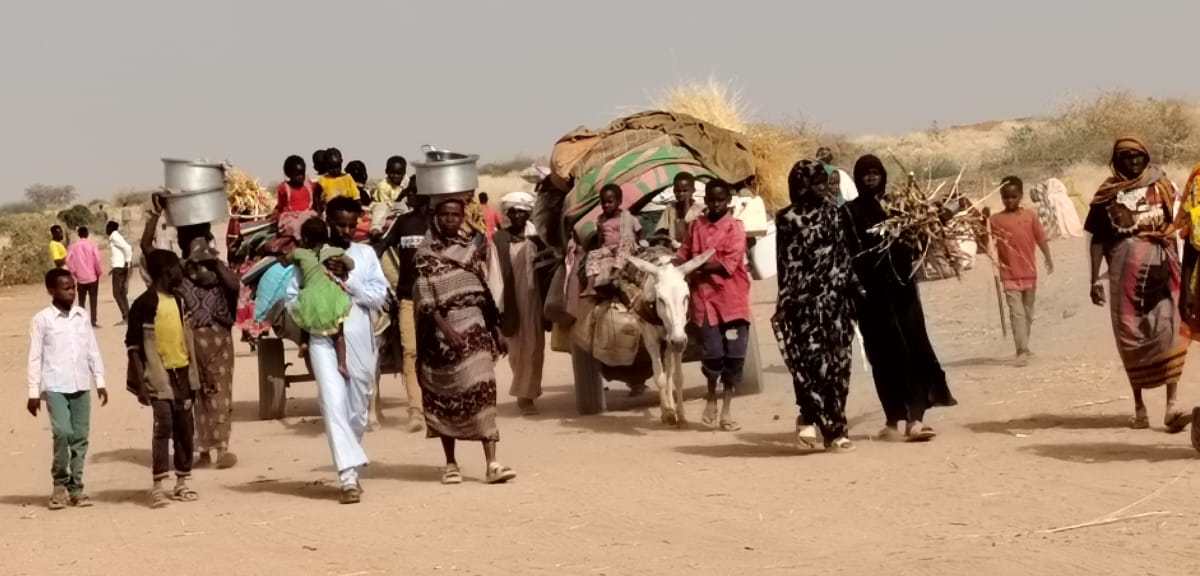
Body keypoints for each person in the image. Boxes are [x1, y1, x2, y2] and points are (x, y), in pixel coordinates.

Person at [844, 154, 954, 442]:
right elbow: (847, 253)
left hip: (902, 292)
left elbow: (919, 239)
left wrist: (937, 220)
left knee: (913, 350)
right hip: (871, 297)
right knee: (882, 357)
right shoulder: (848, 212)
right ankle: (893, 418)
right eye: (865, 173)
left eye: (875, 172)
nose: (871, 178)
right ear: (858, 178)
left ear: (883, 175)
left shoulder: (899, 206)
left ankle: (916, 419)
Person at [287, 197, 389, 503]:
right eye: (339, 224)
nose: (345, 230)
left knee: (358, 408)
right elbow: (291, 296)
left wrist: (348, 282)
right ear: (328, 222)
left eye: (351, 225)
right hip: (322, 339)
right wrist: (313, 311)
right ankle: (347, 478)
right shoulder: (309, 256)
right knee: (333, 402)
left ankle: (351, 457)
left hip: (359, 339)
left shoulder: (365, 255)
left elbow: (379, 296)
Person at [1085, 137, 1189, 432]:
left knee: (1170, 330)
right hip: (1124, 277)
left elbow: (1182, 222)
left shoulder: (1163, 186)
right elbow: (1097, 240)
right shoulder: (1106, 195)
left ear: (1146, 157)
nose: (1133, 161)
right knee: (1131, 337)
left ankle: (1171, 405)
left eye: (1138, 156)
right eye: (1126, 157)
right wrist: (1094, 279)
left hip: (1164, 268)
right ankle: (1139, 407)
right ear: (1116, 161)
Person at [414, 196, 516, 485]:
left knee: (483, 389)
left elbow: (483, 290)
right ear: (436, 217)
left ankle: (492, 463)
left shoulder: (471, 249)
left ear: (462, 217)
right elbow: (425, 297)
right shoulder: (425, 254)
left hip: (477, 328)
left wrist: (496, 330)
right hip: (442, 335)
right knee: (446, 395)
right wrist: (446, 330)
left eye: (455, 215)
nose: (450, 219)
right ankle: (450, 463)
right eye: (445, 214)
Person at [773, 161, 862, 452]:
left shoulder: (835, 214)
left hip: (836, 304)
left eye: (825, 182)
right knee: (812, 366)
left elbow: (844, 254)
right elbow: (785, 264)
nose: (823, 188)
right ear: (801, 185)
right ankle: (820, 422)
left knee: (839, 366)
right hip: (803, 306)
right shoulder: (787, 219)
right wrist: (786, 300)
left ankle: (835, 427)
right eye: (817, 182)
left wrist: (854, 287)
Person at [27, 268, 108, 509]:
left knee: (80, 437)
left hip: (81, 384)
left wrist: (100, 381)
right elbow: (34, 356)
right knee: (62, 432)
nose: (71, 292)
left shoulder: (82, 316)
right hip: (55, 385)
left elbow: (92, 350)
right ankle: (59, 484)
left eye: (73, 287)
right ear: (51, 290)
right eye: (66, 288)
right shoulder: (42, 320)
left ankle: (76, 488)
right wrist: (33, 392)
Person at [126, 249, 201, 508]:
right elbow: (133, 347)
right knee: (164, 426)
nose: (181, 273)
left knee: (185, 428)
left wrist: (196, 376)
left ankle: (182, 481)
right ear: (165, 273)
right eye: (176, 268)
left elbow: (188, 341)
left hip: (183, 374)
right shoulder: (144, 304)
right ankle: (158, 485)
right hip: (158, 376)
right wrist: (141, 384)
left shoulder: (179, 301)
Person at [677, 179, 751, 431]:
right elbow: (683, 253)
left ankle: (727, 410)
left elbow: (727, 263)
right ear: (705, 200)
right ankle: (711, 397)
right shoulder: (696, 226)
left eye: (721, 200)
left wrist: (695, 264)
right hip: (704, 301)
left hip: (732, 302)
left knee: (734, 356)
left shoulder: (735, 228)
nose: (716, 204)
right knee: (713, 354)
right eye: (711, 199)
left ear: (728, 201)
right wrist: (671, 265)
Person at [178, 238, 240, 469]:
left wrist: (214, 263)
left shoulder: (220, 279)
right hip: (194, 344)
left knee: (219, 395)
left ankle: (221, 447)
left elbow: (234, 286)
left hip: (218, 344)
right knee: (200, 395)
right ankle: (204, 450)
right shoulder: (183, 278)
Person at [988, 176, 1054, 362]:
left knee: (1028, 313)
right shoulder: (994, 220)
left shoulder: (1030, 216)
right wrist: (983, 220)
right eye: (1005, 197)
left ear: (1021, 196)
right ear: (1001, 197)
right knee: (1016, 313)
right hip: (1009, 274)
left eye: (1013, 197)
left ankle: (1025, 344)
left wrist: (1048, 258)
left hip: (1029, 272)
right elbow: (985, 242)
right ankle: (1021, 350)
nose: (1010, 201)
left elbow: (1040, 238)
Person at [494, 191, 545, 416]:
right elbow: (494, 274)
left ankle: (527, 396)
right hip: (509, 300)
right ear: (508, 214)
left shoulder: (536, 238)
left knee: (533, 347)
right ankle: (522, 388)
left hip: (533, 300)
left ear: (528, 215)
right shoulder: (499, 240)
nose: (517, 216)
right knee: (515, 350)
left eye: (522, 213)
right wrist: (498, 307)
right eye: (514, 212)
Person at [383, 192, 430, 432]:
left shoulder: (440, 220)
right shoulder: (403, 222)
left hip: (436, 298)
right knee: (410, 352)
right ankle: (415, 410)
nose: (411, 196)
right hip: (408, 298)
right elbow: (383, 245)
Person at [285, 217, 355, 378]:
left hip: (310, 297)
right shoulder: (333, 251)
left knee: (305, 321)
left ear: (304, 238)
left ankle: (304, 342)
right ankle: (342, 364)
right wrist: (342, 262)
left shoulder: (300, 253)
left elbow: (286, 260)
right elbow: (351, 264)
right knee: (339, 334)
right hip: (332, 298)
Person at [584, 184, 641, 294]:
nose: (606, 205)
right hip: (609, 248)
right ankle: (590, 286)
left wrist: (637, 244)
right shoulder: (601, 219)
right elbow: (601, 239)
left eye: (610, 202)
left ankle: (616, 272)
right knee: (592, 254)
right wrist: (601, 248)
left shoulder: (627, 216)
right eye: (603, 202)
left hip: (623, 246)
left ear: (619, 201)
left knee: (626, 244)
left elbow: (638, 230)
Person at [65, 226, 103, 328]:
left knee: (81, 301)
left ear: (78, 234)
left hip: (81, 278)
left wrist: (74, 271)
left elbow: (68, 260)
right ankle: (93, 321)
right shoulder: (92, 245)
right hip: (92, 277)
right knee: (93, 300)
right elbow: (97, 260)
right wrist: (98, 272)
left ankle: (82, 322)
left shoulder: (73, 247)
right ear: (87, 234)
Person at [655, 172, 703, 244]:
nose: (681, 194)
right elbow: (662, 228)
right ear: (674, 191)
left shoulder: (699, 209)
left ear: (693, 190)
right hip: (673, 246)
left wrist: (686, 204)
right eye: (678, 191)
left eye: (685, 191)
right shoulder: (671, 208)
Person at [314, 148, 359, 213]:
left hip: (347, 213)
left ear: (341, 162)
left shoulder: (348, 179)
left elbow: (356, 198)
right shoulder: (322, 181)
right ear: (326, 165)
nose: (335, 170)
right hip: (329, 213)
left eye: (338, 166)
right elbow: (317, 200)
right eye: (331, 167)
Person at [107, 221, 133, 325]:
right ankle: (128, 316)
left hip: (119, 268)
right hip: (118, 267)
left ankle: (126, 317)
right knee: (121, 293)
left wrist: (127, 262)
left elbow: (127, 248)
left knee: (117, 293)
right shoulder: (116, 236)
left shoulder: (114, 236)